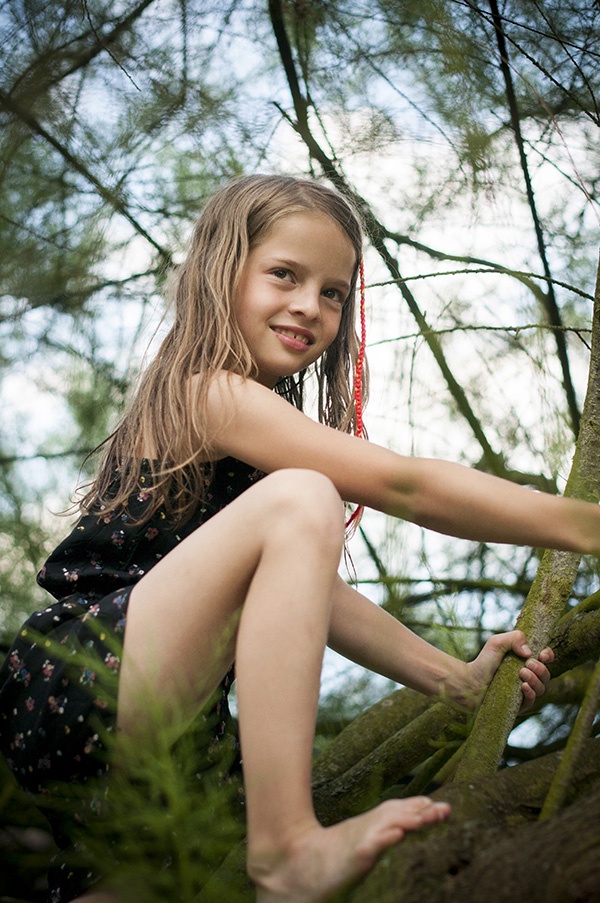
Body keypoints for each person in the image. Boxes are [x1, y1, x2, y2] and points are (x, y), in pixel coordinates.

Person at [0, 173, 596, 903]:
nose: (310, 306)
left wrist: (455, 679)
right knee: (305, 495)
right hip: (89, 674)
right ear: (225, 273)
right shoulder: (206, 392)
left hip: (170, 743)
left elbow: (318, 597)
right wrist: (582, 525)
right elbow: (405, 485)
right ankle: (285, 842)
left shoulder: (255, 456)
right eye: (285, 274)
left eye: (334, 292)